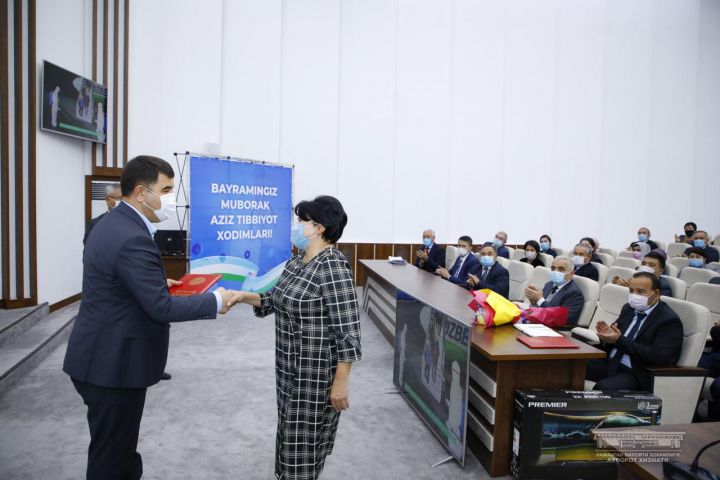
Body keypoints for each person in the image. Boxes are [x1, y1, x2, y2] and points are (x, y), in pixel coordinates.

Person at [63, 156, 236, 480]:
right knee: (112, 460)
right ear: (141, 193)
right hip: (112, 366)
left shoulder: (112, 224)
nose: (172, 198)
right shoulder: (132, 236)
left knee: (117, 450)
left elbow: (119, 283)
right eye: (166, 190)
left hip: (100, 356)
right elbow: (160, 308)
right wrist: (214, 301)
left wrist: (155, 283)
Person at [230, 195, 362, 480]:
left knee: (305, 444)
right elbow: (273, 300)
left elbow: (348, 330)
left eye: (302, 221)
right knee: (289, 433)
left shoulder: (332, 265)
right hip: (288, 369)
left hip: (314, 374)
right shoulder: (296, 263)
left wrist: (341, 382)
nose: (297, 226)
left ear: (319, 228)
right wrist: (241, 296)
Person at [586, 272, 684, 391]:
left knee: (604, 387)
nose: (634, 295)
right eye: (631, 291)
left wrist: (619, 340)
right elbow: (615, 335)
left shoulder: (669, 321)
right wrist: (606, 337)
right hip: (609, 362)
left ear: (656, 294)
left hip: (634, 372)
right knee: (571, 364)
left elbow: (658, 356)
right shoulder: (628, 308)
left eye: (640, 292)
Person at [524, 256, 585, 326]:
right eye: (553, 268)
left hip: (554, 329)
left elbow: (561, 318)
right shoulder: (549, 284)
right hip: (538, 323)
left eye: (561, 269)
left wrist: (540, 300)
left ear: (571, 274)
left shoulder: (574, 293)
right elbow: (540, 309)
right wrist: (534, 303)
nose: (555, 271)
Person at [698, 321, 720, 421]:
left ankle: (713, 424)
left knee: (718, 386)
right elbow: (715, 333)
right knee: (690, 365)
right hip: (716, 357)